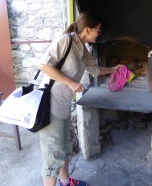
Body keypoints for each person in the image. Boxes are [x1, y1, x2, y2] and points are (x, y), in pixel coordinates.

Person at [38, 11, 121, 186]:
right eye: (98, 30)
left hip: (63, 105)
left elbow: (95, 70)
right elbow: (44, 65)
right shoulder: (65, 40)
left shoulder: (81, 48)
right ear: (88, 29)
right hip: (50, 105)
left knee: (66, 147)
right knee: (53, 155)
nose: (100, 33)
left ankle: (66, 182)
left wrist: (114, 69)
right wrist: (70, 83)